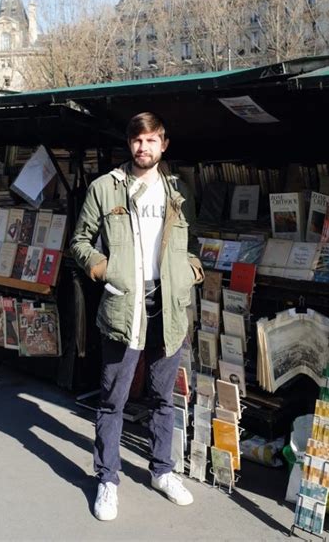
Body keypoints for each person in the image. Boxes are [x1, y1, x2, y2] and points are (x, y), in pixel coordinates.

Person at [70, 111, 203, 521]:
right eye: (136, 140)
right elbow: (79, 241)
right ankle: (107, 479)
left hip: (169, 307)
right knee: (114, 399)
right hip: (125, 306)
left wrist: (191, 272)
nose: (143, 147)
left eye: (151, 140)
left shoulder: (179, 189)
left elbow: (192, 240)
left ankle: (162, 471)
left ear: (163, 144)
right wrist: (103, 270)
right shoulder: (104, 188)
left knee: (164, 397)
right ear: (130, 145)